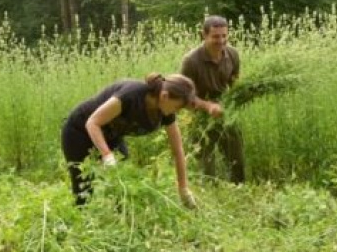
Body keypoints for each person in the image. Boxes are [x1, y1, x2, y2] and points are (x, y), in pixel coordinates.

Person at [61, 73, 223, 206]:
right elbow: (93, 122)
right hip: (79, 131)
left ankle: (118, 224)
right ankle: (78, 229)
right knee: (84, 190)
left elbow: (178, 150)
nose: (178, 111)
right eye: (177, 107)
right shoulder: (131, 95)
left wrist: (183, 189)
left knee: (124, 184)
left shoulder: (165, 111)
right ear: (165, 96)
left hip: (112, 136)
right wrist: (107, 155)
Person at [179, 15, 245, 183]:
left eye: (224, 35)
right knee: (205, 164)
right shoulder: (191, 61)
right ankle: (208, 193)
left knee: (236, 158)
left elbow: (235, 82)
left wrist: (239, 96)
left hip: (225, 111)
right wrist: (208, 106)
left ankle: (239, 190)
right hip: (199, 115)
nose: (221, 40)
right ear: (204, 35)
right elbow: (184, 96)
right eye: (216, 36)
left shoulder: (232, 54)